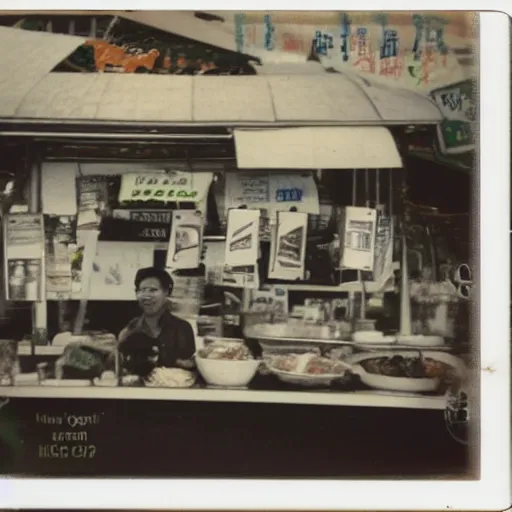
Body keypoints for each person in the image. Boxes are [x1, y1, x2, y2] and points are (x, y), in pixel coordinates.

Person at [118, 267, 196, 377]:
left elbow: (189, 369)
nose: (147, 296)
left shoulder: (182, 328)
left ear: (167, 292)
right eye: (142, 290)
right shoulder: (130, 330)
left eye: (153, 290)